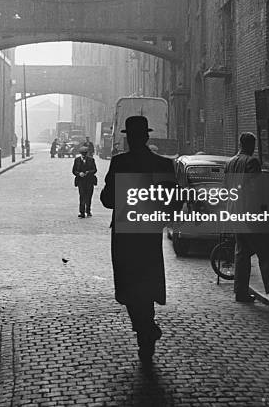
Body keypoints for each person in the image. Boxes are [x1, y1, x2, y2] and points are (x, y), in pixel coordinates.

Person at [100, 116, 178, 367]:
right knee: (146, 281)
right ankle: (147, 329)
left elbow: (108, 200)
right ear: (146, 137)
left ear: (129, 138)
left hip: (124, 232)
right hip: (148, 232)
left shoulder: (120, 162)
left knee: (128, 283)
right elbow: (173, 203)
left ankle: (144, 329)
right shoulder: (163, 164)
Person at [224, 132, 269, 303]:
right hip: (250, 215)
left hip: (235, 214)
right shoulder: (251, 162)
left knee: (242, 254)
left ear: (239, 144)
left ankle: (240, 292)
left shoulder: (229, 163)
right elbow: (256, 190)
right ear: (252, 145)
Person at [72, 146, 97, 218]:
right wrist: (79, 174)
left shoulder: (91, 160)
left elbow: (94, 170)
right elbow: (74, 171)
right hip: (81, 181)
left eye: (85, 153)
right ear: (80, 153)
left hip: (89, 181)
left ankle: (88, 211)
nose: (84, 155)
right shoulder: (77, 160)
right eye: (83, 153)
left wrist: (88, 172)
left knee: (89, 196)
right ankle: (82, 212)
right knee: (82, 196)